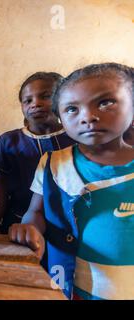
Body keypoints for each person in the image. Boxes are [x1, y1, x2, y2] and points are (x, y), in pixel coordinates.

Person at [9, 63, 134, 300]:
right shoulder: (53, 164)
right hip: (78, 287)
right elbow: (36, 212)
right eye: (72, 109)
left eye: (105, 102)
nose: (88, 117)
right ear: (60, 118)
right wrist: (29, 228)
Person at [0, 72, 75, 234]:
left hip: (71, 221)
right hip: (20, 219)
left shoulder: (75, 136)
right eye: (27, 101)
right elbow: (2, 186)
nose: (35, 104)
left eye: (46, 96)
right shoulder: (9, 140)